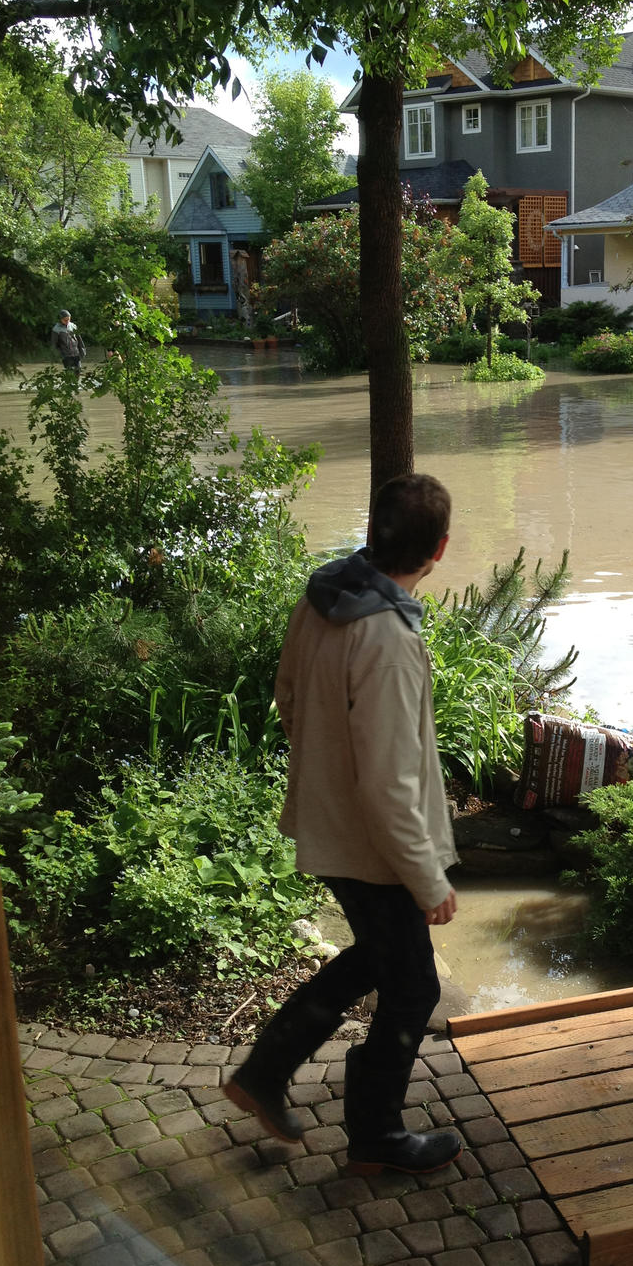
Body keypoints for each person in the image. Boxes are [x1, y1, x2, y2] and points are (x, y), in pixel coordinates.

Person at [223, 473, 463, 1176]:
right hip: (372, 846)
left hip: (333, 825)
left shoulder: (324, 596)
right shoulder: (385, 640)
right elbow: (390, 785)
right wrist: (427, 880)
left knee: (378, 957)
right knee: (414, 985)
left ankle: (264, 1072)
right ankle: (377, 1138)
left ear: (372, 528)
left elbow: (288, 695)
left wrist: (321, 772)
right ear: (440, 549)